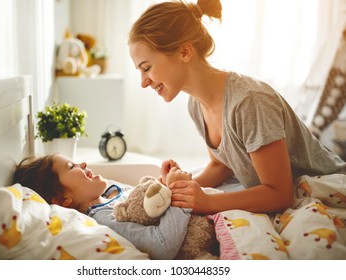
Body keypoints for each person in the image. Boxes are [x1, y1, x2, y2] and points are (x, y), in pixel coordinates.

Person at [128, 0, 346, 215]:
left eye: (146, 68)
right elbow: (222, 165)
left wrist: (208, 202)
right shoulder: (195, 104)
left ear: (184, 52)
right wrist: (178, 189)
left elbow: (279, 194)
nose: (143, 82)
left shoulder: (249, 101)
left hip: (326, 188)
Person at [13, 153, 191, 259]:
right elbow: (161, 245)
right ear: (62, 200)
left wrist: (166, 184)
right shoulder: (104, 218)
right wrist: (179, 193)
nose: (82, 164)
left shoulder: (108, 194)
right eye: (71, 166)